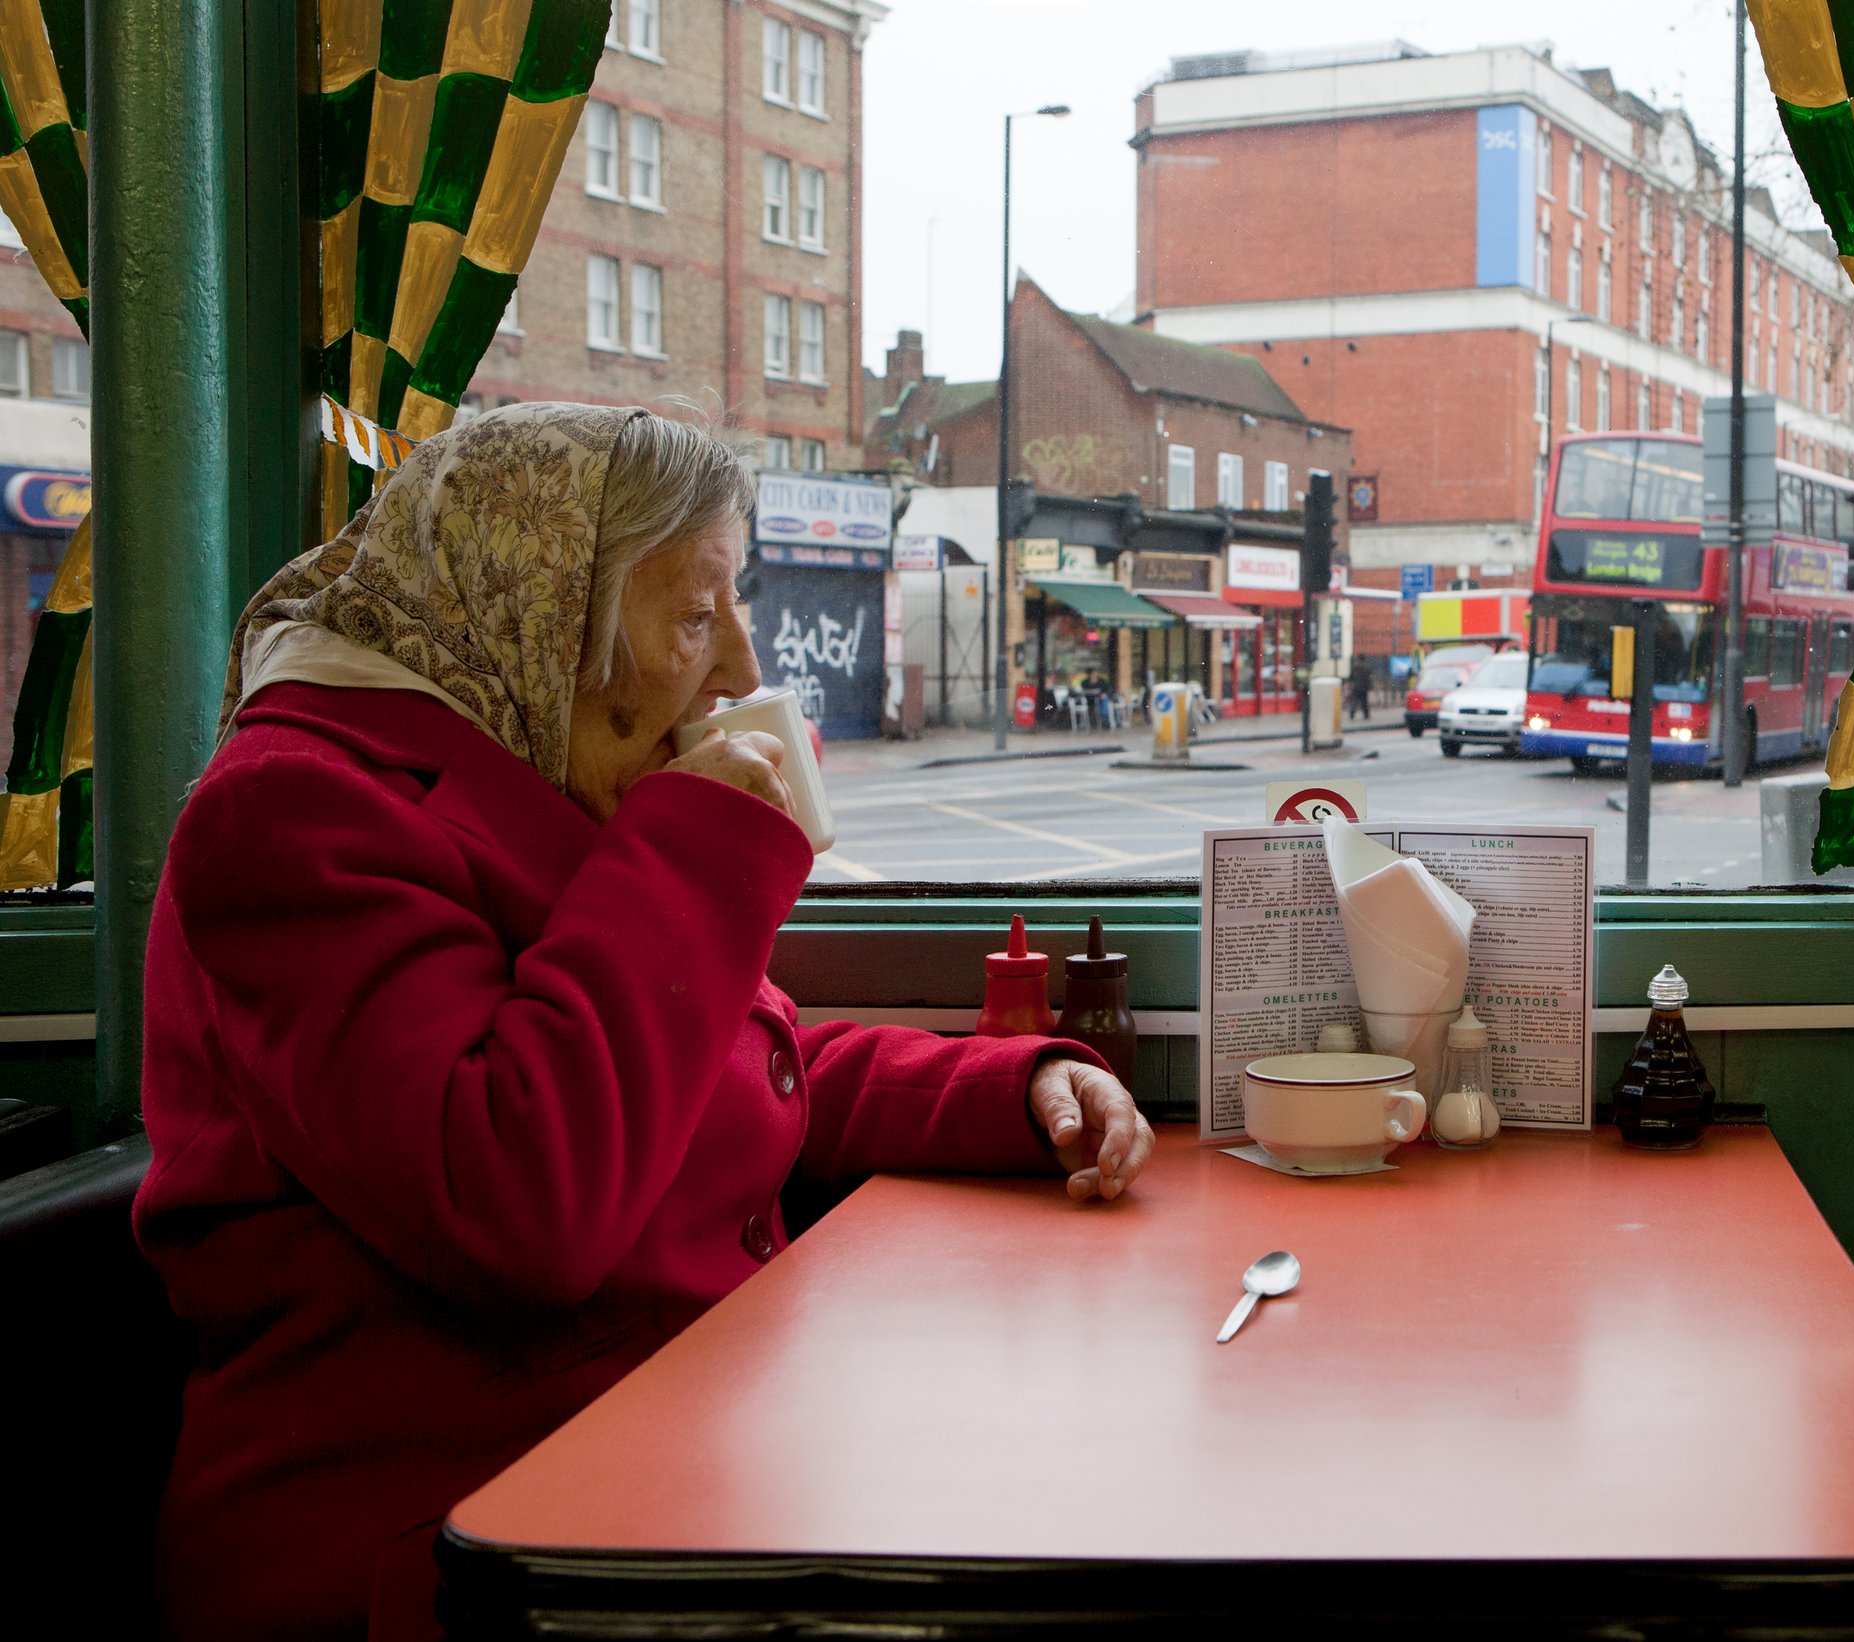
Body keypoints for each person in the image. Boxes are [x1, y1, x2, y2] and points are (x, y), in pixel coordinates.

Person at [134, 405, 1153, 1640]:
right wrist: (695, 853)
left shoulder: (538, 779)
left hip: (658, 1469)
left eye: (736, 607)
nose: (737, 669)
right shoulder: (288, 820)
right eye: (692, 614)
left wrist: (1005, 1085)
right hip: (444, 1556)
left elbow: (727, 1063)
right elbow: (518, 1198)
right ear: (547, 618)